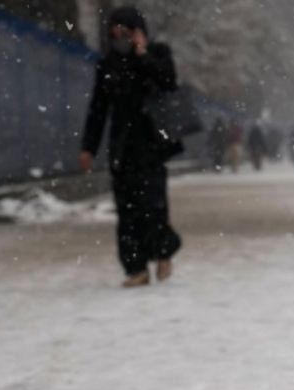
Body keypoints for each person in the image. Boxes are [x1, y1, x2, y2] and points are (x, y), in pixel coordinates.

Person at [79, 6, 182, 288]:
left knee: (153, 205)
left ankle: (163, 251)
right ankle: (135, 267)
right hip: (122, 148)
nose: (119, 38)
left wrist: (142, 55)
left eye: (125, 32)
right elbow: (98, 109)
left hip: (152, 146)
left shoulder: (158, 54)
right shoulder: (108, 65)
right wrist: (89, 146)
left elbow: (168, 82)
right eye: (114, 34)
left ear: (138, 31)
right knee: (127, 211)